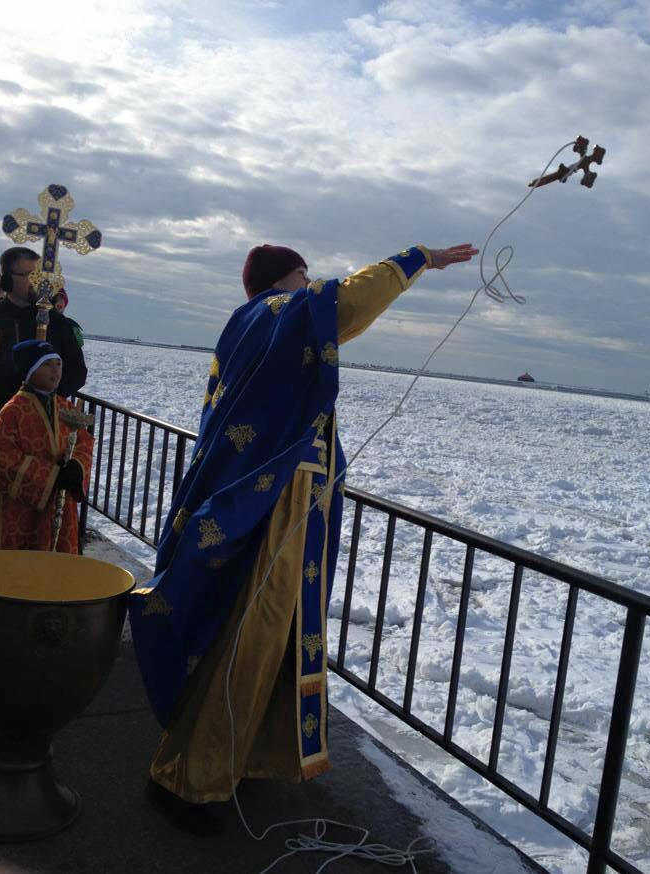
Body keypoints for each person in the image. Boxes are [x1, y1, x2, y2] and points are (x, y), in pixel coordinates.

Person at [129, 241, 478, 831]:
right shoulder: (273, 313)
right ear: (282, 280)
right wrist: (419, 258)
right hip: (271, 499)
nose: (310, 283)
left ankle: (248, 755)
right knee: (253, 626)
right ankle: (190, 778)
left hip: (272, 494)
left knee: (274, 627)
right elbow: (343, 304)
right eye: (303, 275)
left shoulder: (251, 325)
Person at [0, 339, 92, 553]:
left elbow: (83, 441)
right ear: (30, 371)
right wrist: (50, 476)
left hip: (58, 501)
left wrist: (77, 468)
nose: (55, 371)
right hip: (19, 507)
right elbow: (2, 457)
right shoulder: (13, 410)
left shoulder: (64, 405)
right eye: (47, 365)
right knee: (18, 567)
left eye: (58, 364)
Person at [0, 247, 87, 447]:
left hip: (41, 431)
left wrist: (45, 392)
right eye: (30, 274)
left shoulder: (59, 324)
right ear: (7, 279)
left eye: (41, 274)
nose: (38, 281)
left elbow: (77, 371)